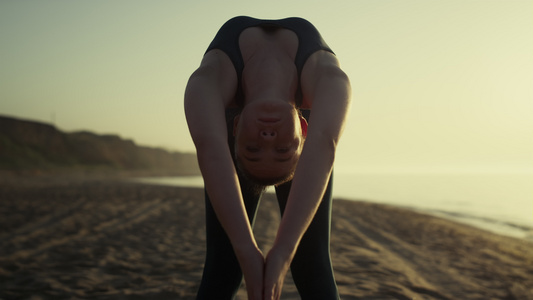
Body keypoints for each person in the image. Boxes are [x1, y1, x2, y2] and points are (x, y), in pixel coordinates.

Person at [184, 16, 351, 300]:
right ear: (303, 129)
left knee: (306, 263)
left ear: (235, 129)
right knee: (230, 266)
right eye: (284, 150)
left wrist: (250, 250)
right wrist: (273, 251)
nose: (268, 140)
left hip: (250, 115)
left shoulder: (209, 81)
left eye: (253, 149)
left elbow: (211, 148)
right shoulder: (327, 79)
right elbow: (324, 144)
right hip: (305, 120)